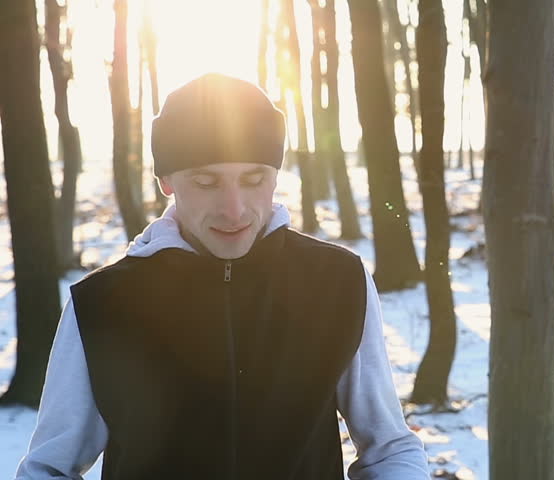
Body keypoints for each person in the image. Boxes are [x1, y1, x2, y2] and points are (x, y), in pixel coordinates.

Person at [15, 73, 429, 479]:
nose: (234, 209)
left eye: (254, 180)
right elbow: (49, 468)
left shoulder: (338, 283)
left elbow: (389, 448)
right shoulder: (103, 304)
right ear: (166, 182)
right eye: (206, 182)